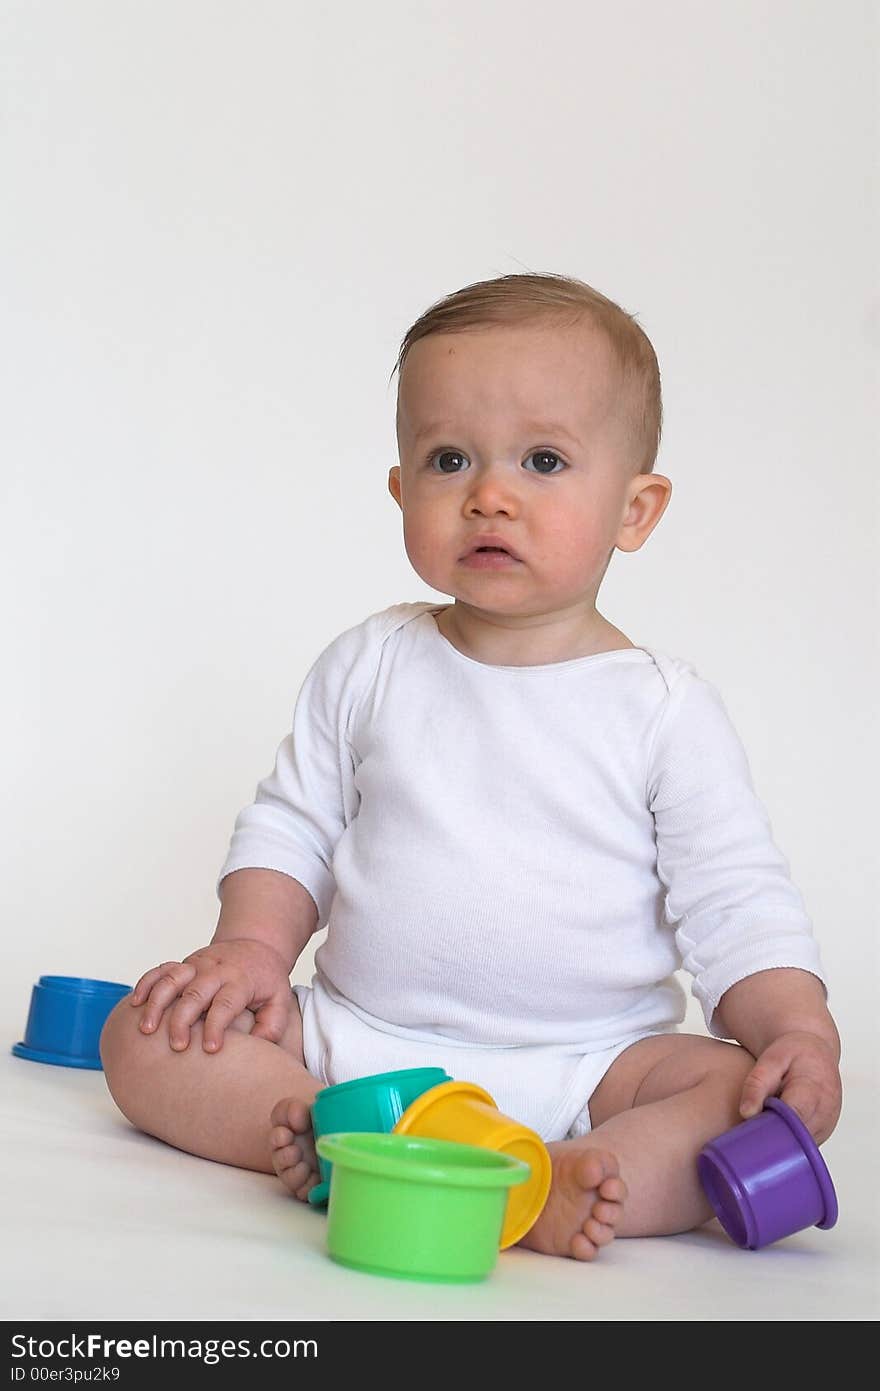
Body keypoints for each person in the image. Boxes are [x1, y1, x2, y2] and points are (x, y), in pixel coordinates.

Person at [100, 272, 842, 1262]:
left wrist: (799, 1028)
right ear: (403, 489)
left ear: (635, 508)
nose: (488, 493)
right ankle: (320, 1126)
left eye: (543, 459)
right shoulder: (370, 661)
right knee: (142, 1033)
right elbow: (294, 826)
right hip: (355, 1048)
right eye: (449, 459)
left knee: (730, 1092)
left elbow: (735, 902)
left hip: (587, 1071)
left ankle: (557, 1175)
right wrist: (251, 952)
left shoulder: (662, 709)